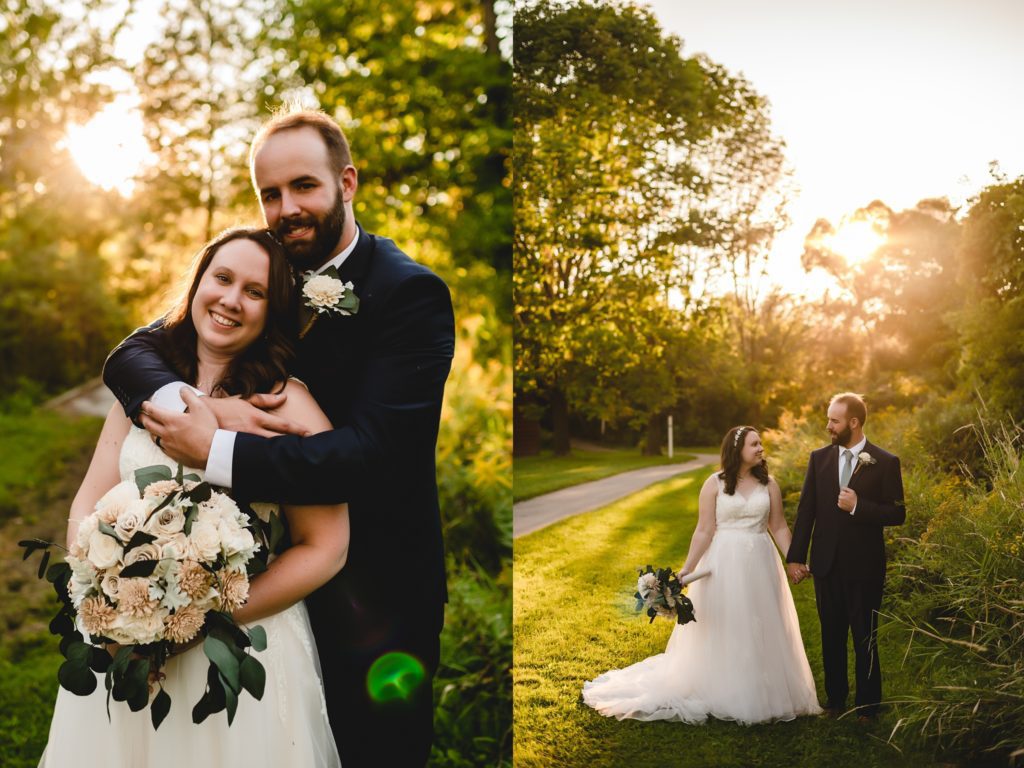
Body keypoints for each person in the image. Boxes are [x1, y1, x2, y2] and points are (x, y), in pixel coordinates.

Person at [102, 109, 454, 767]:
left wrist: (214, 448)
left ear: (346, 182)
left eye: (304, 186)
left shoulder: (409, 294)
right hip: (260, 578)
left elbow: (374, 456)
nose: (286, 208)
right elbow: (133, 354)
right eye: (270, 193)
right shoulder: (263, 272)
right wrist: (201, 407)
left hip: (374, 595)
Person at [41, 227, 347, 766]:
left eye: (254, 291)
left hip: (239, 647)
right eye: (222, 278)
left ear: (272, 310)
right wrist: (101, 597)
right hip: (124, 643)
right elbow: (86, 503)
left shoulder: (287, 405)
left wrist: (203, 619)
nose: (231, 299)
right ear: (199, 282)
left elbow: (327, 546)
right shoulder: (142, 393)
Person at [582, 426, 821, 724]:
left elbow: (779, 526)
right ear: (737, 450)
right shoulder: (714, 484)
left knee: (760, 621)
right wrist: (687, 568)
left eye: (761, 443)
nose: (761, 448)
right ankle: (722, 685)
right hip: (723, 563)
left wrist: (794, 559)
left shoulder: (769, 484)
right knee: (725, 622)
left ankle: (762, 684)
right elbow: (704, 530)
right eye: (754, 444)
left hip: (761, 561)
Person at [786, 392, 905, 722]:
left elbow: (897, 513)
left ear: (853, 422)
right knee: (831, 635)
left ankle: (868, 705)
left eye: (834, 421)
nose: (828, 426)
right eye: (828, 419)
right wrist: (795, 557)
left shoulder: (885, 461)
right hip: (826, 563)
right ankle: (835, 699)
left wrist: (858, 506)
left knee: (865, 636)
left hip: (865, 566)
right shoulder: (819, 459)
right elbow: (806, 511)